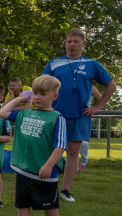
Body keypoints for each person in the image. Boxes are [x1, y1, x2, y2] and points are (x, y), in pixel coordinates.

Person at [43, 28, 116, 202]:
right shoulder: (54, 63)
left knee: (73, 152)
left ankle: (65, 190)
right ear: (65, 43)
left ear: (83, 43)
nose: (72, 45)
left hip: (79, 115)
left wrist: (97, 107)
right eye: (69, 41)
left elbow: (111, 86)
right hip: (55, 115)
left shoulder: (93, 65)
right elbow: (42, 86)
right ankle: (46, 184)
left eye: (76, 41)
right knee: (50, 150)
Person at [0, 74, 67, 216]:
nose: (37, 97)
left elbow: (60, 146)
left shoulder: (57, 118)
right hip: (24, 168)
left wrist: (48, 165)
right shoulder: (24, 114)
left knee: (50, 204)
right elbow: (2, 112)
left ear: (54, 96)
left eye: (43, 94)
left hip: (45, 171)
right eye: (35, 93)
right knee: (22, 202)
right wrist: (19, 98)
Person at [78, 86, 103, 172]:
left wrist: (95, 109)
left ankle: (84, 161)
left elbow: (101, 98)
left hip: (84, 116)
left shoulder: (91, 87)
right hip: (70, 115)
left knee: (83, 142)